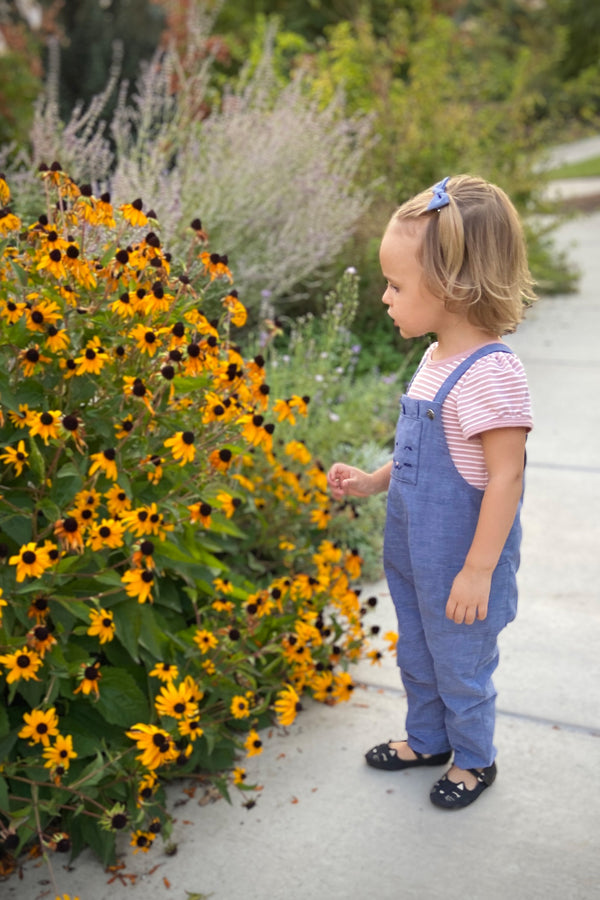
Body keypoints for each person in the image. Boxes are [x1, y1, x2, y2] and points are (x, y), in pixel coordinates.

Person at [327, 175, 534, 810]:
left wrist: (478, 570)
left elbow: (506, 476)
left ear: (449, 288)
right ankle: (427, 738)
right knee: (417, 650)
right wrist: (373, 480)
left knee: (462, 668)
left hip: (461, 566)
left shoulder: (492, 374)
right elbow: (421, 451)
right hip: (416, 557)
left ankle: (474, 760)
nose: (384, 298)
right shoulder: (434, 359)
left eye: (395, 285)